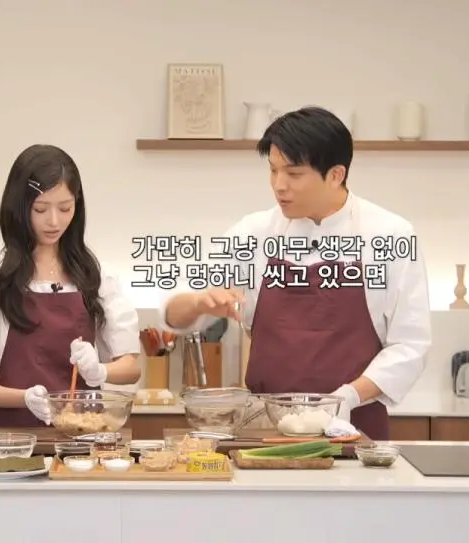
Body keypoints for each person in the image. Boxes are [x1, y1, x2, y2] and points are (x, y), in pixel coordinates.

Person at [160, 107, 432, 440]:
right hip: (265, 429)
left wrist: (346, 398)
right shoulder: (254, 233)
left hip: (353, 426)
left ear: (335, 175)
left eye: (294, 173)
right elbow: (173, 313)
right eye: (273, 170)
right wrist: (200, 302)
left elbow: (410, 346)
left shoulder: (390, 235)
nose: (279, 185)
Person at [0, 144, 142, 427]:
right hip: (14, 441)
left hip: (84, 439)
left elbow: (131, 368)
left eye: (65, 208)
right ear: (19, 207)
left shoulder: (98, 279)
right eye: (40, 209)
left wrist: (100, 370)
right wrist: (26, 398)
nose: (54, 221)